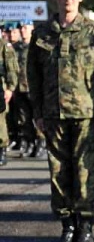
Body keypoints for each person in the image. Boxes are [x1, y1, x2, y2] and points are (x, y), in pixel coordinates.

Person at [28, 0, 94, 242]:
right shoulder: (42, 33)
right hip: (53, 115)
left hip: (86, 114)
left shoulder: (93, 31)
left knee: (85, 171)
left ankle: (85, 227)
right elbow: (34, 76)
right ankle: (68, 226)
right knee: (59, 172)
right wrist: (38, 112)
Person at [11, 19, 40, 158]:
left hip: (32, 88)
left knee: (37, 117)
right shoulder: (15, 48)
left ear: (32, 28)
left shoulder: (37, 47)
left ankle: (41, 143)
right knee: (23, 119)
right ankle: (30, 142)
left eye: (26, 28)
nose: (23, 30)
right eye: (21, 28)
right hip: (19, 88)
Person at [0, 34, 18, 167]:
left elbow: (11, 67)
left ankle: (2, 149)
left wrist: (10, 88)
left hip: (0, 87)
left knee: (0, 121)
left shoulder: (4, 46)